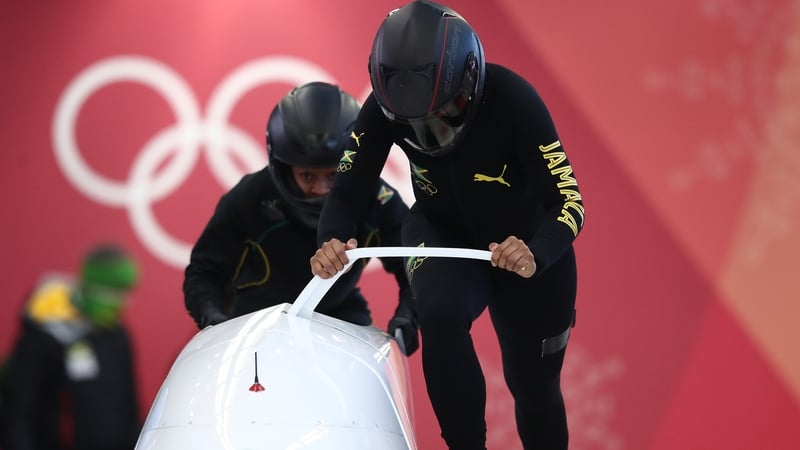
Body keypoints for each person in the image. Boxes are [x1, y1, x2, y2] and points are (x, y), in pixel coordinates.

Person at [309, 1, 585, 449]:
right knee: (438, 312)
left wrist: (537, 252)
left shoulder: (515, 99)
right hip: (444, 233)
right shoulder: (380, 109)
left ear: (470, 83)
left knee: (534, 390)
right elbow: (348, 191)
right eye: (412, 125)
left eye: (445, 113)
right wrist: (331, 241)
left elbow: (569, 202)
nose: (431, 132)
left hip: (530, 252)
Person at [183, 81, 419, 355]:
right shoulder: (249, 198)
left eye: (334, 175)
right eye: (307, 175)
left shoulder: (379, 200)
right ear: (284, 168)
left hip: (339, 316)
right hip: (255, 322)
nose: (321, 190)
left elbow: (414, 265)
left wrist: (408, 317)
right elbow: (205, 273)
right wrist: (215, 322)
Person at [0, 244, 142, 450]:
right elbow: (20, 412)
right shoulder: (44, 336)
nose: (122, 303)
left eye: (125, 295)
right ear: (92, 287)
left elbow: (129, 407)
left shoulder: (118, 336)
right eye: (113, 294)